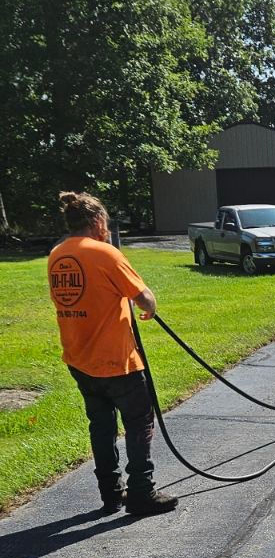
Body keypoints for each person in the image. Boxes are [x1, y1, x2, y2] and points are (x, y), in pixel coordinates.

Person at [48, 191, 177, 517]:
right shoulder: (106, 253)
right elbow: (144, 298)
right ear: (97, 221)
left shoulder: (57, 255)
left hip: (80, 359)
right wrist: (150, 307)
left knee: (101, 426)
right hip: (116, 361)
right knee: (138, 421)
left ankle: (110, 493)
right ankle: (141, 493)